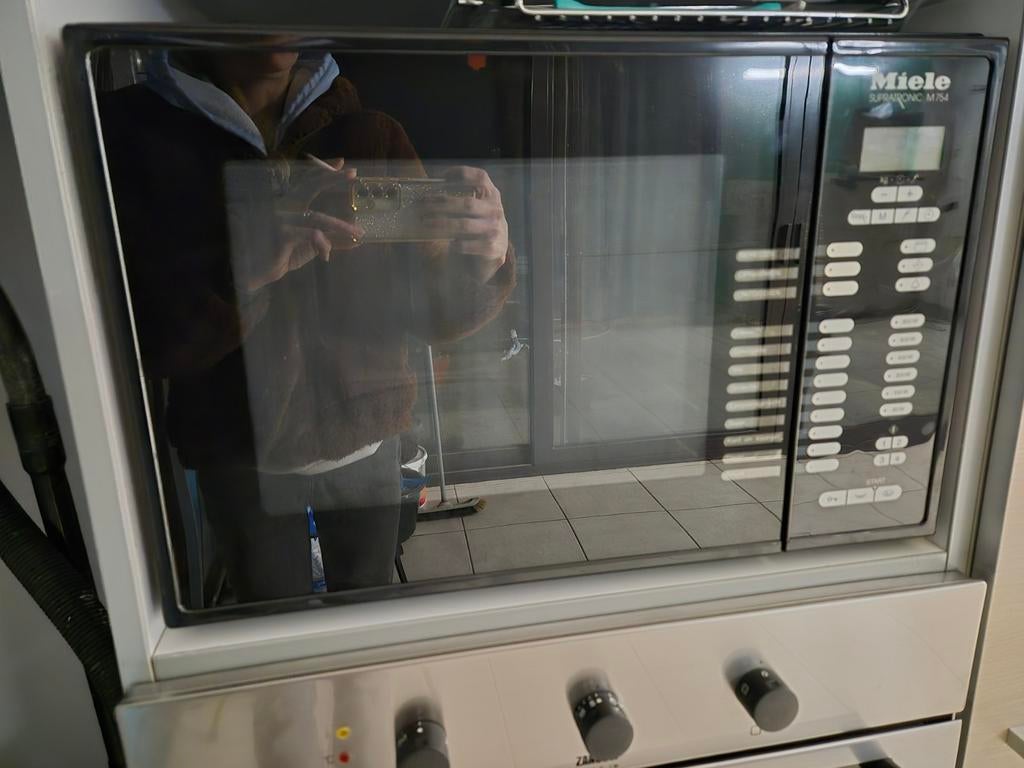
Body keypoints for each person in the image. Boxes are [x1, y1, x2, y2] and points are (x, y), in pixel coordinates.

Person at [98, 45, 516, 601]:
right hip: (243, 446)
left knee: (357, 603)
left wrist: (484, 258)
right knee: (274, 611)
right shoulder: (136, 134)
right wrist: (245, 270)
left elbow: (435, 313)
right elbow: (132, 334)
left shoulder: (369, 136)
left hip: (355, 432)